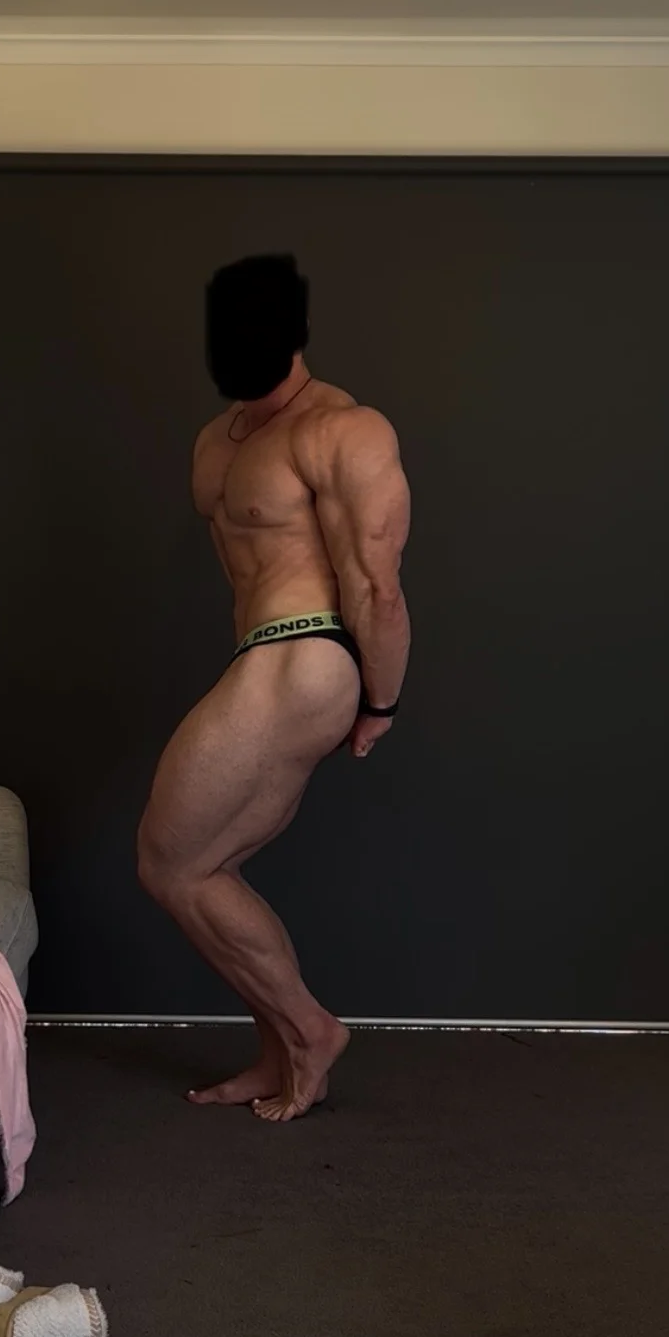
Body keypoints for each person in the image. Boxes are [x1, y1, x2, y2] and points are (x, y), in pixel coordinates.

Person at [137, 253, 411, 1120]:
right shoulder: (215, 441)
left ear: (296, 333)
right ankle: (275, 1050)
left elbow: (376, 584)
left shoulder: (343, 429)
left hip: (308, 654)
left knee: (170, 861)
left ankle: (310, 1029)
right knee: (206, 867)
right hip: (259, 657)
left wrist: (380, 702)